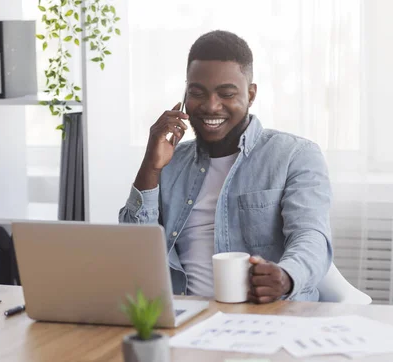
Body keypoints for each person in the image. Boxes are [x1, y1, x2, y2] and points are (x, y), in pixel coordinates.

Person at [119, 30, 332, 303]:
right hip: (183, 318)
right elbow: (134, 252)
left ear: (251, 94)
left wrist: (286, 276)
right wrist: (150, 166)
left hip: (269, 318)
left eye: (226, 94)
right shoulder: (169, 161)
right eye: (197, 93)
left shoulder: (295, 155)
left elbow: (311, 236)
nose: (210, 106)